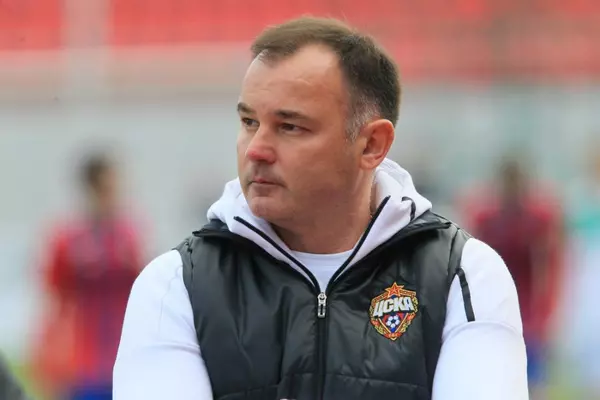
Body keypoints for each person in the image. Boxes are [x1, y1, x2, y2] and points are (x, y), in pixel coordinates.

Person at [114, 17, 527, 400]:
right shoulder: (175, 284)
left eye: (290, 126)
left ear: (372, 145)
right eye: (249, 122)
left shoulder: (464, 274)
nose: (256, 150)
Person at [31, 152, 144, 400]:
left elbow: (143, 291)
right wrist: (48, 356)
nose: (113, 196)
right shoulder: (67, 240)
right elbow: (54, 300)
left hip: (125, 357)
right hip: (83, 364)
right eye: (106, 189)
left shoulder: (129, 236)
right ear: (90, 188)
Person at [466, 157, 563, 399]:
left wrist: (545, 312)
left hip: (528, 309)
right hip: (497, 305)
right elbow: (474, 260)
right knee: (497, 376)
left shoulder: (539, 217)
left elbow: (547, 265)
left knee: (533, 378)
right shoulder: (487, 217)